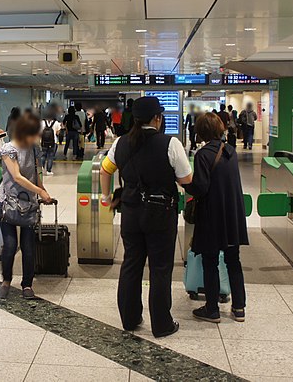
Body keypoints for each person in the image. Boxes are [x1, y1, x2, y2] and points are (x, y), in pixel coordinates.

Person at [99, 97, 192, 338]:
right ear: (157, 118)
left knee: (131, 265)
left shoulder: (120, 143)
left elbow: (105, 169)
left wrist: (107, 196)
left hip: (130, 212)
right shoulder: (170, 143)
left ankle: (130, 319)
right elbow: (186, 179)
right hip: (160, 213)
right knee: (160, 269)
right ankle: (162, 324)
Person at [185, 113, 248, 324]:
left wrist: (184, 184)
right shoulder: (231, 151)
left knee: (210, 261)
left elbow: (201, 187)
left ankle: (212, 309)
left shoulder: (203, 154)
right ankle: (239, 308)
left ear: (200, 131)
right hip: (233, 215)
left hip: (212, 215)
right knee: (233, 260)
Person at [0, 113, 52, 300]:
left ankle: (27, 284)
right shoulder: (8, 149)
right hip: (8, 201)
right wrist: (40, 190)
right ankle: (6, 280)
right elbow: (17, 176)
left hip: (29, 202)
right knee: (10, 245)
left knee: (28, 246)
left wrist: (42, 190)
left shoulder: (34, 148)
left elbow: (37, 171)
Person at [41, 111, 58, 176]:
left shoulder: (42, 123)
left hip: (43, 142)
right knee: (50, 156)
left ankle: (41, 169)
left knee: (43, 156)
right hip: (53, 142)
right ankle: (49, 171)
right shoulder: (56, 123)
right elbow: (58, 133)